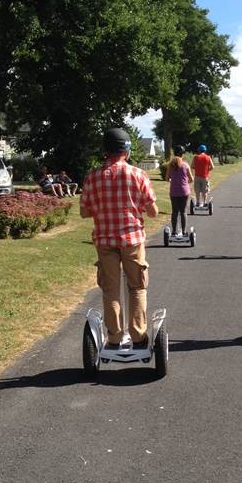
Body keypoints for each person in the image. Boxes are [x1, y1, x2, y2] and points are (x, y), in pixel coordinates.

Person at [80, 127, 158, 349]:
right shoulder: (138, 175)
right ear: (127, 150)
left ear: (105, 150)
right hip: (132, 240)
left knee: (111, 290)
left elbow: (85, 212)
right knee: (137, 287)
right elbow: (152, 211)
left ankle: (114, 338)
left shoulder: (93, 176)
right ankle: (138, 336)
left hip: (105, 241)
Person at [165, 145, 194, 235]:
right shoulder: (185, 165)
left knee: (174, 211)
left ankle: (174, 231)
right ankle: (184, 231)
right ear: (182, 154)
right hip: (184, 191)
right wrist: (185, 182)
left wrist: (171, 179)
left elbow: (167, 178)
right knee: (183, 211)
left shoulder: (170, 165)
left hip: (174, 191)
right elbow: (191, 179)